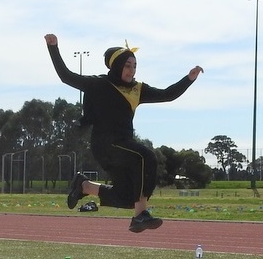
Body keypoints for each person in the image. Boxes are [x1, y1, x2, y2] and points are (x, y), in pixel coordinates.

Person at [44, 34, 203, 232]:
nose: (132, 70)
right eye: (128, 65)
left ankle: (84, 186)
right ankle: (140, 216)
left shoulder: (138, 89)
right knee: (146, 157)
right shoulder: (99, 84)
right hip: (105, 145)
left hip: (124, 147)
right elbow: (65, 76)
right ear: (117, 65)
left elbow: (167, 94)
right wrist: (53, 47)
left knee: (128, 197)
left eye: (134, 66)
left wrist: (189, 79)